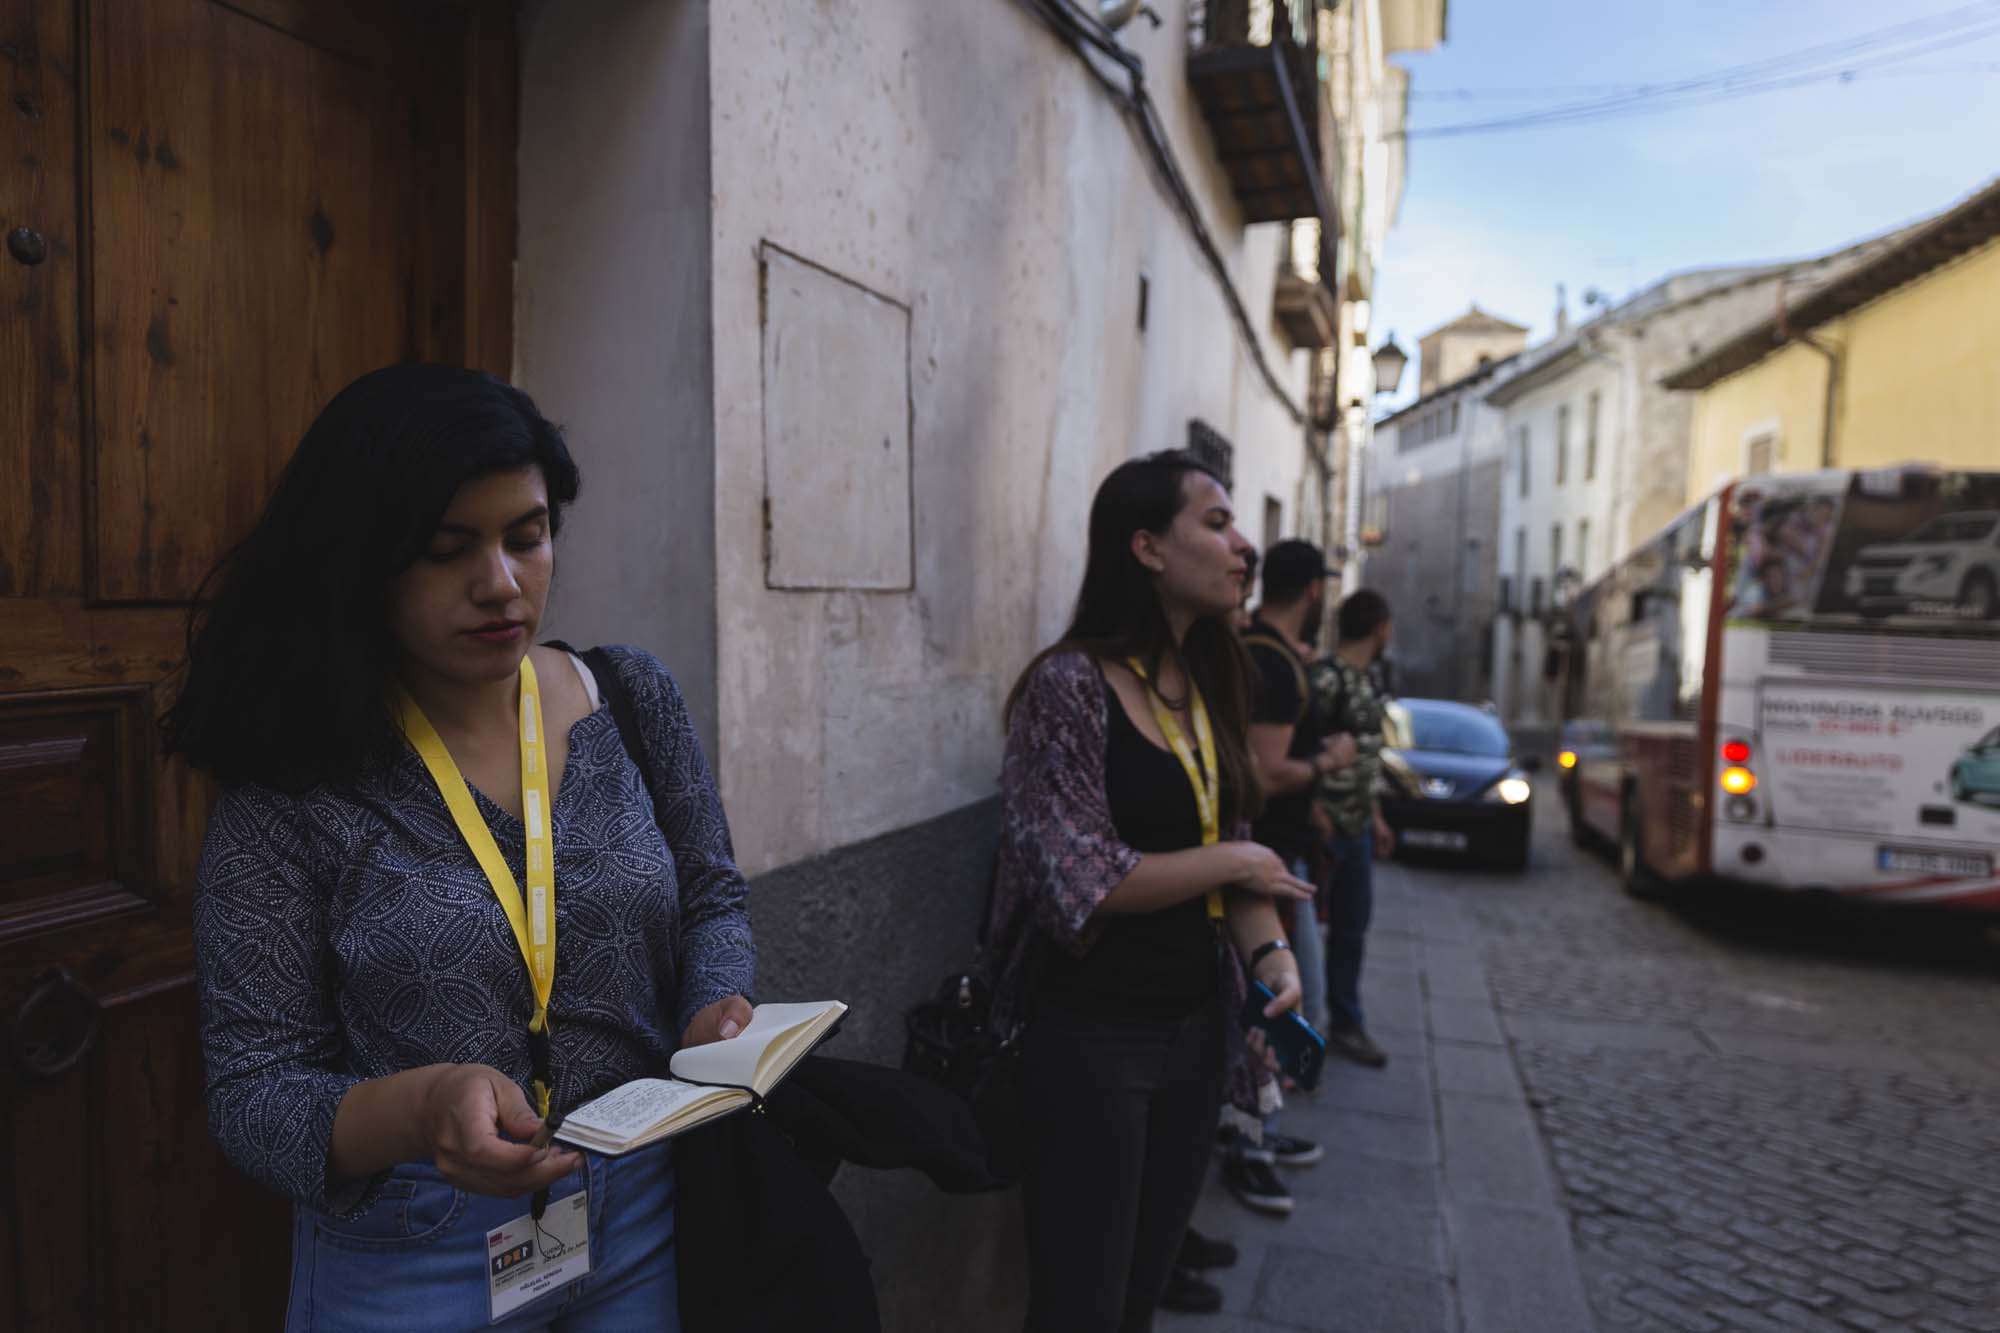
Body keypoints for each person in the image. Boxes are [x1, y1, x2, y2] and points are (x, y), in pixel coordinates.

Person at [167, 365, 755, 1330]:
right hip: (415, 1250)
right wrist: (424, 1106)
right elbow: (252, 1094)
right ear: (363, 563)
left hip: (639, 1207)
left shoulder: (632, 698)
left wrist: (712, 1008)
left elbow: (711, 900)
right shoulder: (293, 784)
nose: (501, 583)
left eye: (528, 537)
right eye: (448, 550)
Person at [986, 450, 1311, 1332]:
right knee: (1080, 1303)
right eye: (1215, 522)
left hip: (1198, 1031)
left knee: (1139, 1294)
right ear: (1146, 548)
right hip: (1093, 1039)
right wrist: (1239, 869)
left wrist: (1269, 950)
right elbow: (1079, 881)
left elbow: (1228, 836)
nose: (1243, 545)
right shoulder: (1068, 686)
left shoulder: (1213, 681)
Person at [1222, 540, 1357, 1217]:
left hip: (1271, 855)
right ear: (1313, 591)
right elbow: (1267, 772)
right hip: (1263, 860)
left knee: (1287, 1012)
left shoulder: (1267, 654)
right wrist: (1328, 762)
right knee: (1284, 1012)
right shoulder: (1272, 663)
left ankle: (1263, 1133)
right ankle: (1251, 1146)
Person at [1309, 588, 1397, 1070]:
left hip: (1358, 825)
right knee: (1303, 931)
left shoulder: (1366, 680)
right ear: (1380, 626)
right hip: (1325, 826)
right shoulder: (1326, 678)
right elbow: (1303, 747)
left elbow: (1365, 759)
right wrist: (1314, 810)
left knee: (1350, 930)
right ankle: (1300, 1030)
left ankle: (1344, 1023)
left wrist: (1377, 818)